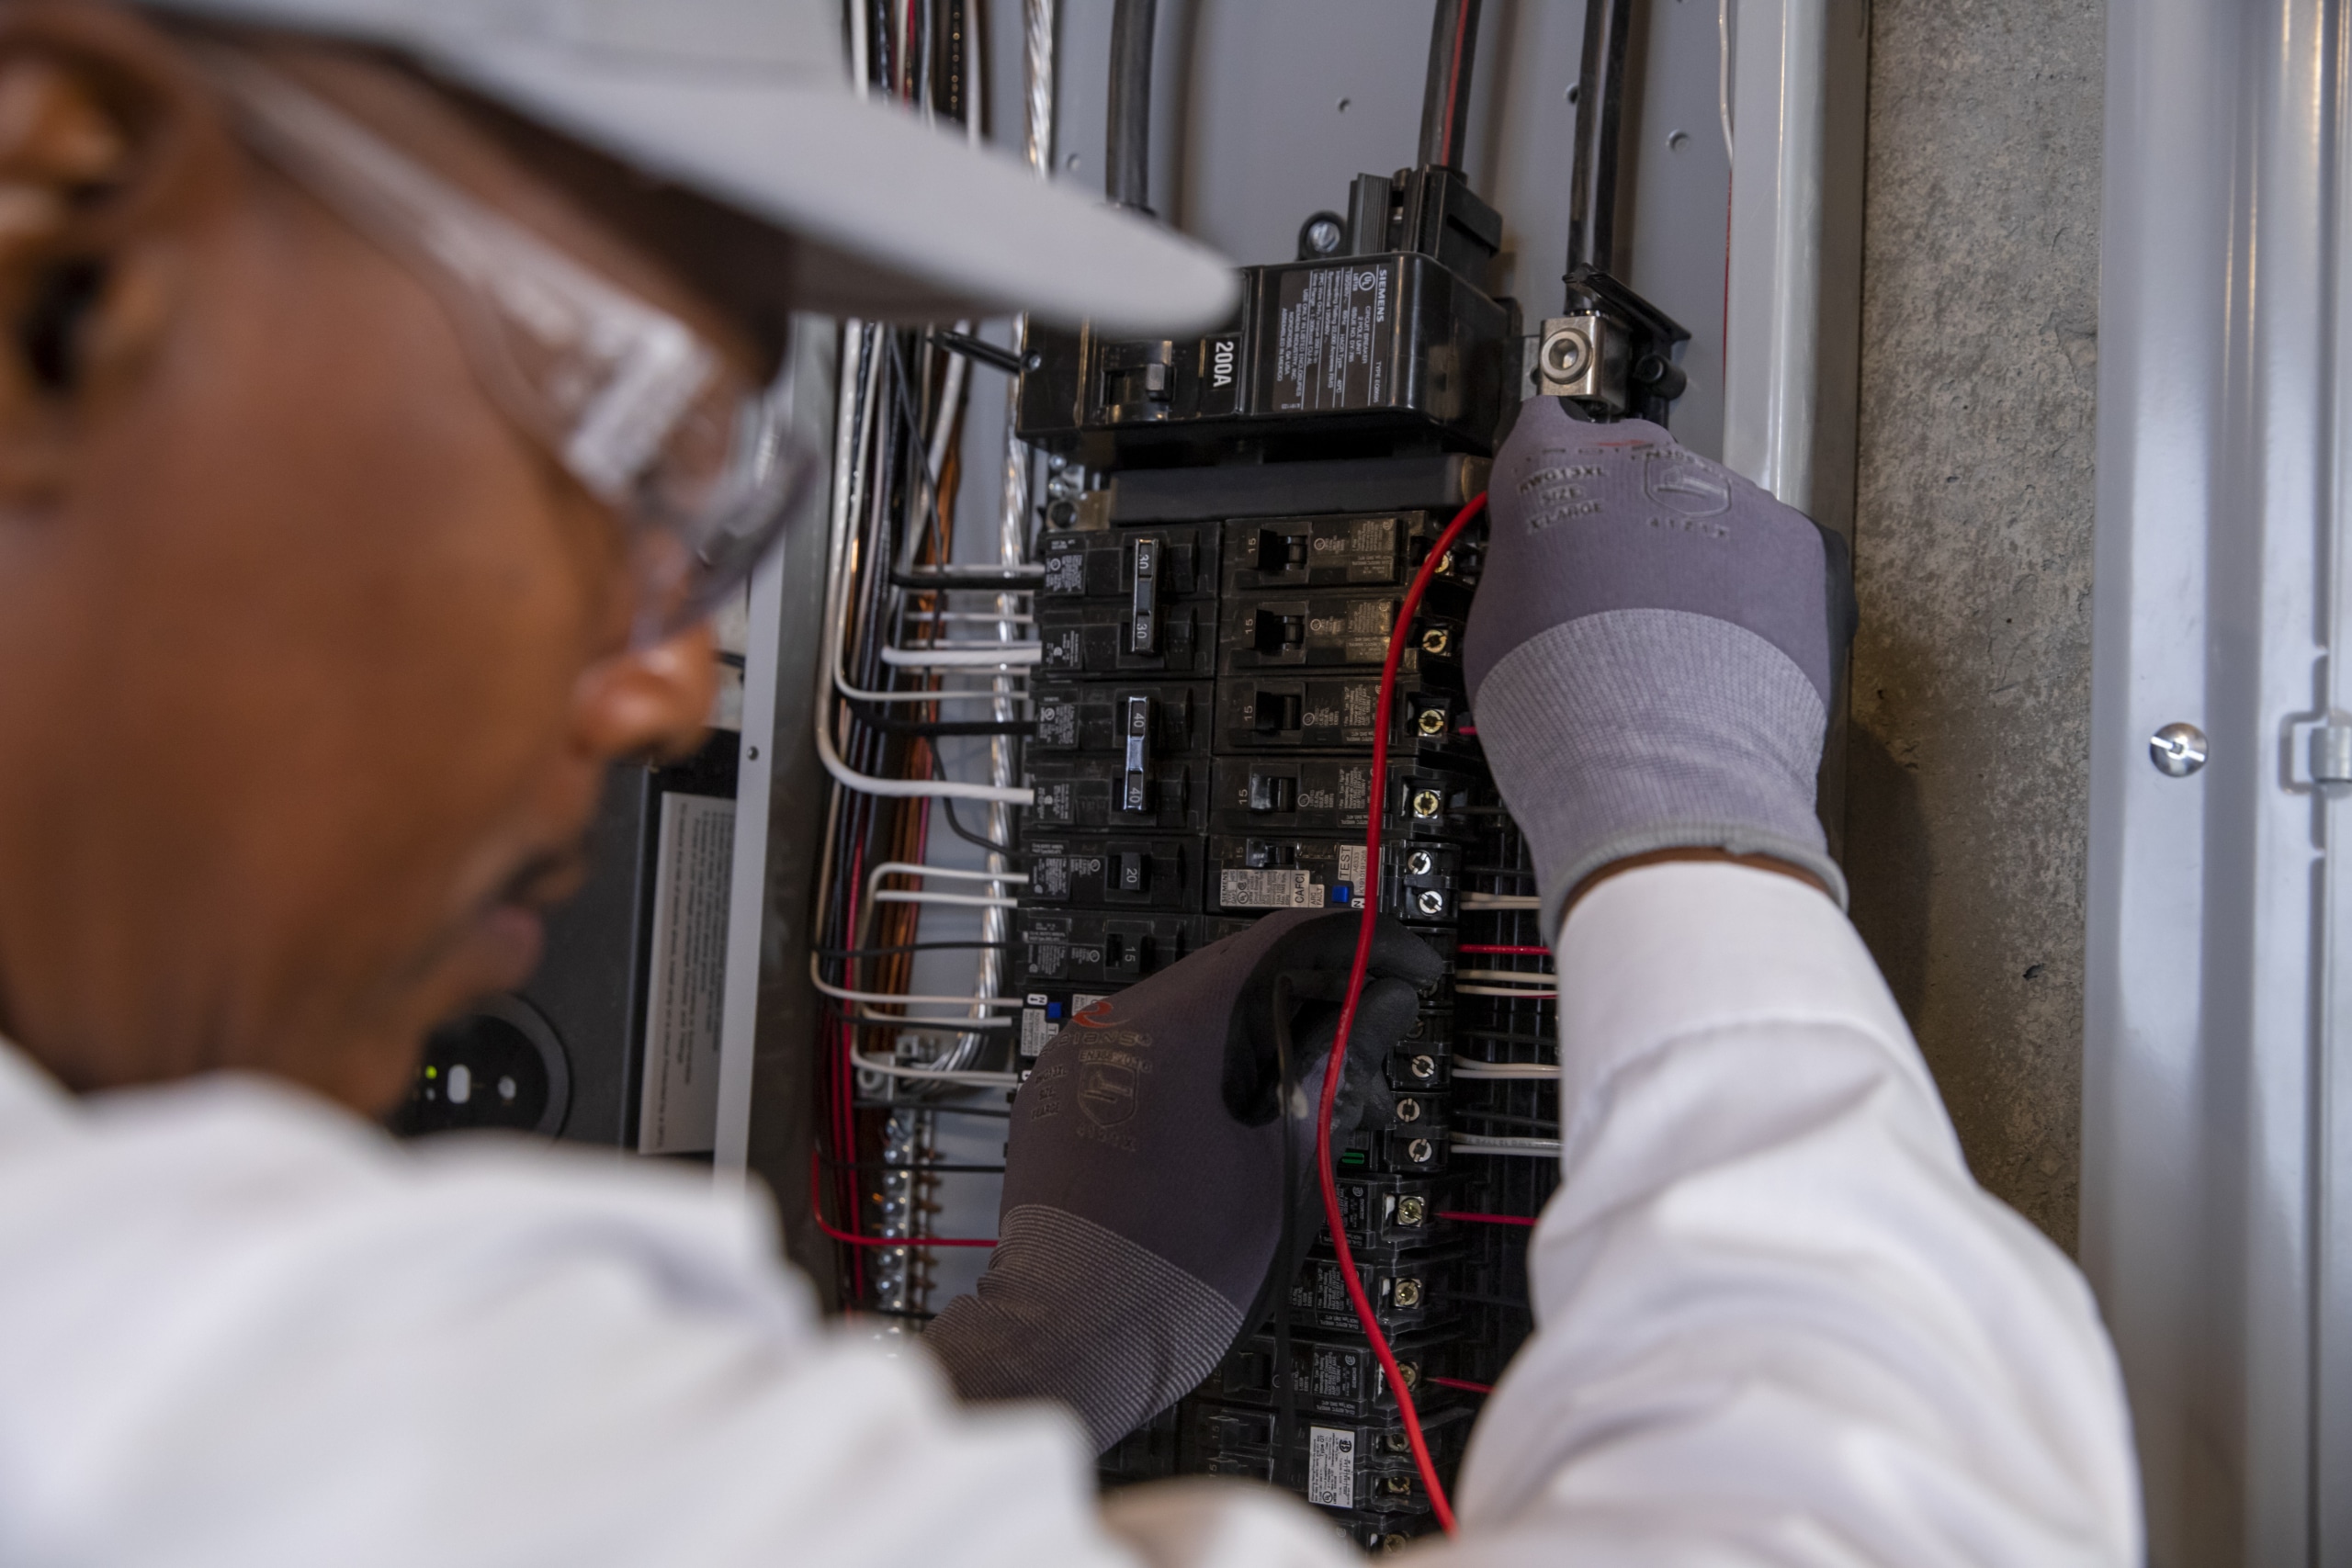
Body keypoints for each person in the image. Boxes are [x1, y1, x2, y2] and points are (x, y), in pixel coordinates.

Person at [0, 0, 2139, 1562]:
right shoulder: (159, 1365)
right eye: (652, 459)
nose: (666, 677)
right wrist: (1690, 823)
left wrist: (1014, 1372)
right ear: (54, 222)